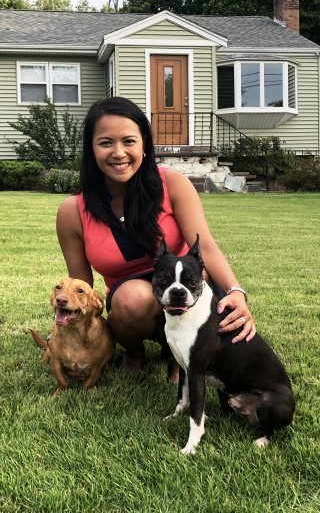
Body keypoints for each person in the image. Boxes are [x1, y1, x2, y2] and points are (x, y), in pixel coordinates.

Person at [56, 96, 255, 374]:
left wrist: (235, 292)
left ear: (144, 145)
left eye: (129, 141)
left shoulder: (172, 184)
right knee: (132, 299)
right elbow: (81, 287)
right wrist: (68, 333)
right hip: (131, 304)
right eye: (105, 142)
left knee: (196, 275)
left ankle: (181, 354)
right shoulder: (73, 211)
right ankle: (134, 351)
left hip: (185, 288)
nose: (119, 152)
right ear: (91, 149)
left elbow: (206, 247)